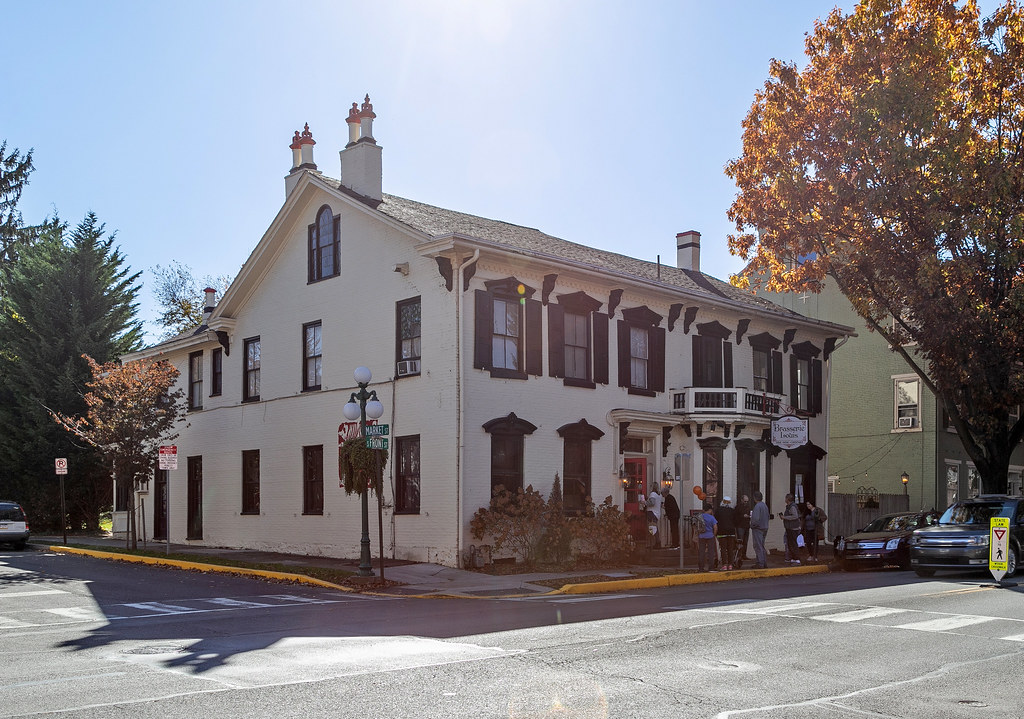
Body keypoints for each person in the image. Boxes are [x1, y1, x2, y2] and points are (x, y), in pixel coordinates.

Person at [779, 493, 802, 564]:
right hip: (790, 528)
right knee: (790, 544)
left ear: (787, 499)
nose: (785, 499)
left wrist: (784, 517)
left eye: (785, 498)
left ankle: (797, 559)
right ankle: (793, 558)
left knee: (793, 544)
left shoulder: (792, 507)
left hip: (793, 528)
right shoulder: (789, 506)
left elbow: (795, 516)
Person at [715, 496, 737, 571]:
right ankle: (730, 565)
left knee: (723, 548)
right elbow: (735, 521)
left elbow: (716, 520)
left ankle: (724, 565)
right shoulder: (732, 511)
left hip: (722, 531)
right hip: (731, 532)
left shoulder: (718, 510)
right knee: (730, 548)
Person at [750, 491, 770, 569]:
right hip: (764, 527)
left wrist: (752, 525)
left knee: (758, 546)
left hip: (758, 528)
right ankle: (763, 562)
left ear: (755, 498)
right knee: (761, 545)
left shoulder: (757, 506)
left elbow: (755, 519)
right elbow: (768, 516)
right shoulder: (764, 506)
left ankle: (760, 563)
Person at [697, 503, 718, 572]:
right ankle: (711, 567)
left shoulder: (700, 517)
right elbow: (715, 527)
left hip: (701, 536)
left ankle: (701, 567)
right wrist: (714, 535)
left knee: (701, 552)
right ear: (709, 510)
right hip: (710, 536)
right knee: (711, 552)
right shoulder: (711, 517)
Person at [735, 494, 751, 563]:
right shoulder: (738, 507)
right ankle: (739, 555)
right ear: (741, 500)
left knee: (745, 541)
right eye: (745, 501)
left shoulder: (748, 507)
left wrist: (749, 516)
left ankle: (744, 555)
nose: (746, 503)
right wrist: (742, 516)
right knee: (740, 541)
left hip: (746, 525)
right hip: (740, 526)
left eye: (747, 501)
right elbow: (735, 517)